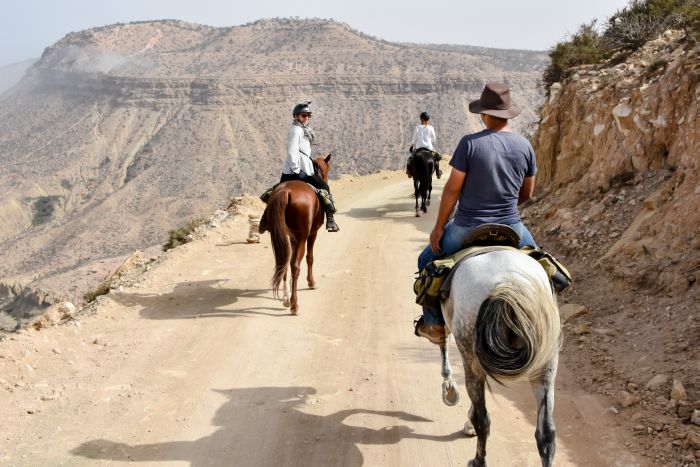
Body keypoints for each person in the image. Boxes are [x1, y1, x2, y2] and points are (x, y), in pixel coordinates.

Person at [413, 82, 538, 344]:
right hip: (511, 226)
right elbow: (527, 193)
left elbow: (451, 191)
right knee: (543, 268)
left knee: (425, 261)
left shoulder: (469, 144)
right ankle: (544, 322)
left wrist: (438, 228)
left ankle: (434, 325)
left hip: (468, 226)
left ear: (484, 114)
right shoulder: (524, 146)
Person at [279, 101, 340, 232]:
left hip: (298, 167)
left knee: (276, 191)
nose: (306, 118)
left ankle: (266, 220)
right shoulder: (297, 130)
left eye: (308, 115)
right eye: (303, 115)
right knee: (324, 187)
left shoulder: (304, 130)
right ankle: (330, 220)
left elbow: (303, 151)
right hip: (297, 169)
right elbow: (291, 151)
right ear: (296, 116)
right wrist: (297, 170)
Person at [407, 112, 442, 179]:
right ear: (428, 119)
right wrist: (428, 141)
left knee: (410, 158)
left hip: (419, 147)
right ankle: (438, 172)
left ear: (421, 119)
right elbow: (434, 138)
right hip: (429, 147)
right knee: (436, 158)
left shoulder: (418, 127)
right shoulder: (431, 128)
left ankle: (409, 172)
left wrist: (412, 145)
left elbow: (415, 138)